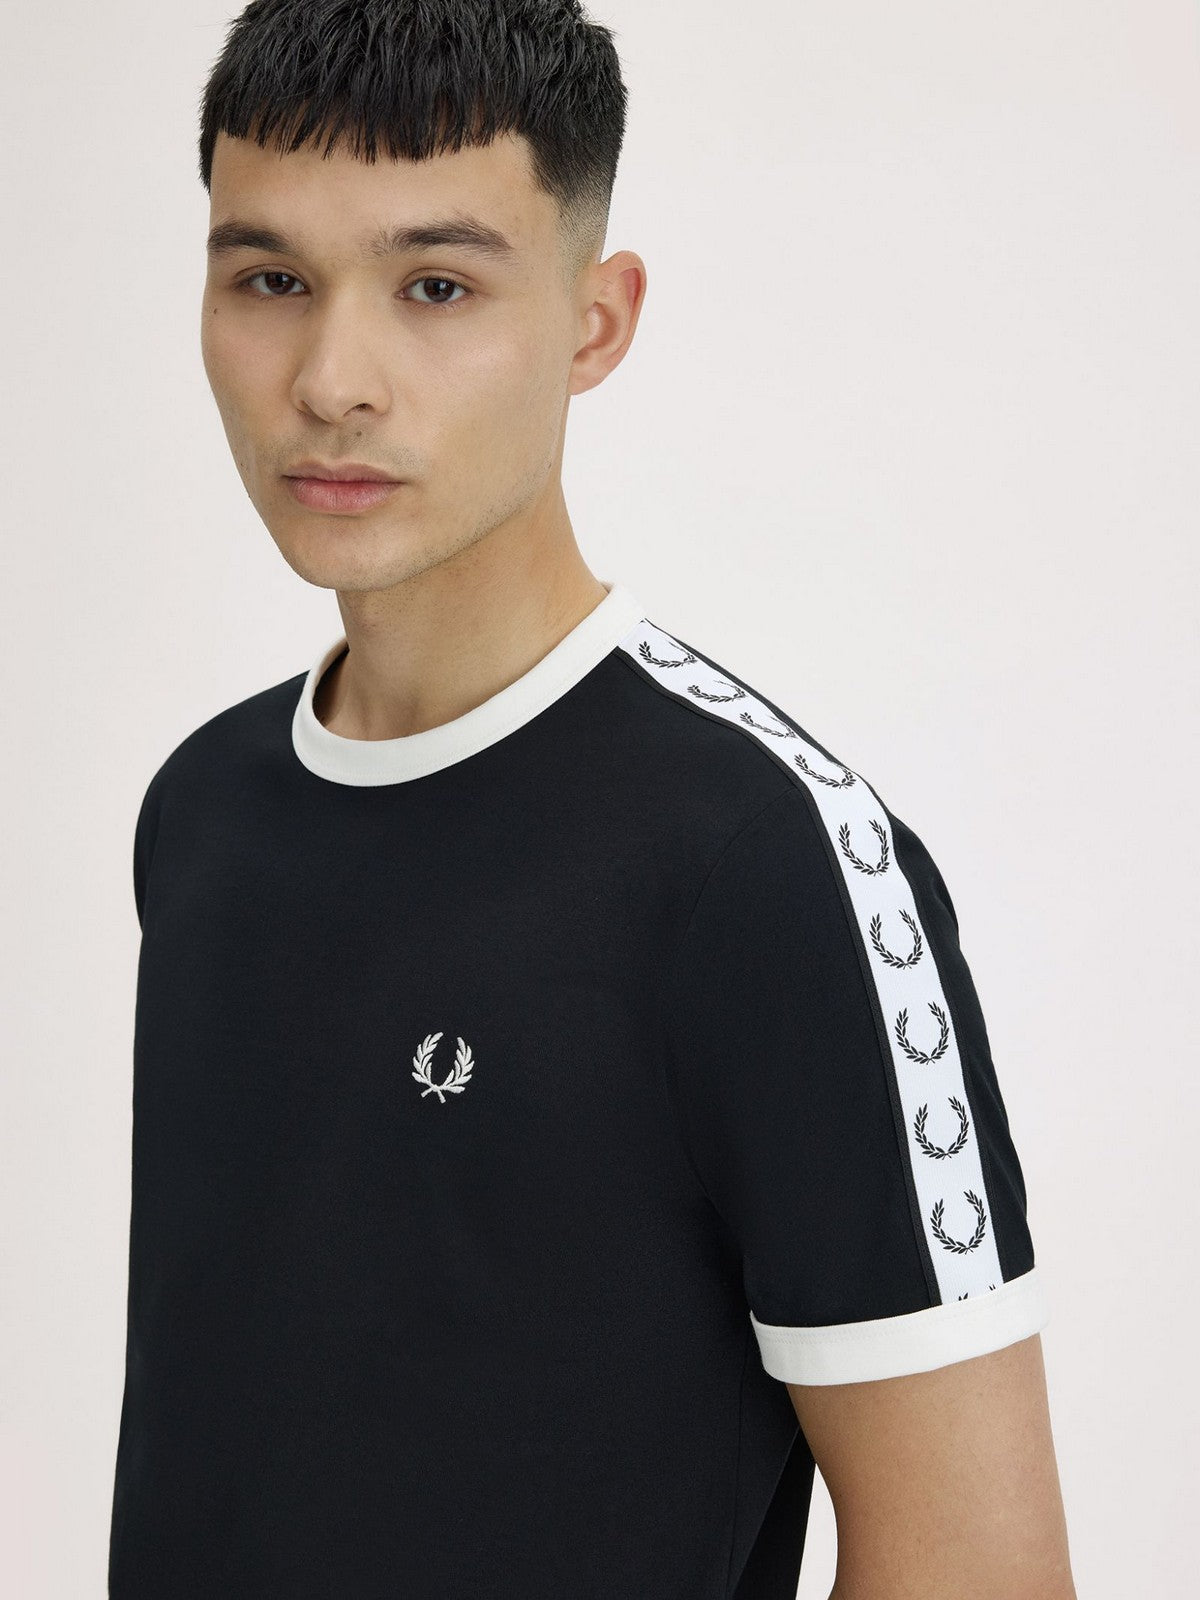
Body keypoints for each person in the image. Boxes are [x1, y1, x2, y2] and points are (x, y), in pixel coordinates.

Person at [107, 2, 1076, 1596]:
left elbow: (979, 1569)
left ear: (594, 322)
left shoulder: (769, 869)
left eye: (436, 287)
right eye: (270, 280)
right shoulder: (205, 811)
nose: (332, 381)